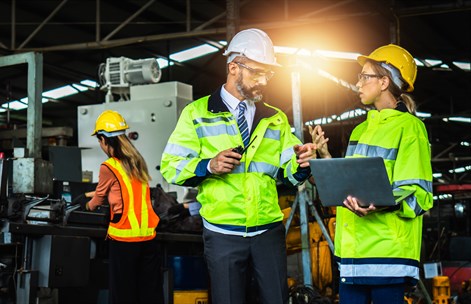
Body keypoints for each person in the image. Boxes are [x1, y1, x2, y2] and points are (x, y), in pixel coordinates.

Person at [160, 28, 317, 304]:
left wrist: (302, 162)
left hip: (267, 230)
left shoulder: (276, 119)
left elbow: (290, 174)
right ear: (233, 67)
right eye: (257, 72)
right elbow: (171, 167)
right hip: (223, 233)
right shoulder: (196, 114)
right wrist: (208, 165)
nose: (263, 80)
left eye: (268, 74)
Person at [311, 44, 433, 304]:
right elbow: (351, 183)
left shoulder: (411, 129)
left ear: (384, 81)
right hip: (353, 255)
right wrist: (324, 157)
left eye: (364, 76)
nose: (358, 83)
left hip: (387, 254)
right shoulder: (361, 130)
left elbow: (419, 195)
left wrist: (377, 205)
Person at [84, 110, 163, 304]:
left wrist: (86, 204)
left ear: (103, 140)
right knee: (149, 292)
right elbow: (127, 190)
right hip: (147, 235)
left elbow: (98, 201)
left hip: (125, 238)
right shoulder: (137, 161)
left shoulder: (108, 166)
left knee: (123, 294)